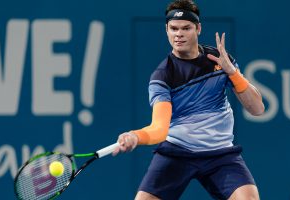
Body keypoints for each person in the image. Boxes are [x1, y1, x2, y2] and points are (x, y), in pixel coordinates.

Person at [113, 0, 265, 199]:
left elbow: (257, 109)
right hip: (177, 152)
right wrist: (135, 136)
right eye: (174, 28)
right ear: (166, 30)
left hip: (220, 154)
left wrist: (233, 73)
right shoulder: (162, 76)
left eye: (186, 28)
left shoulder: (219, 60)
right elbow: (159, 129)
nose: (179, 34)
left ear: (198, 28)